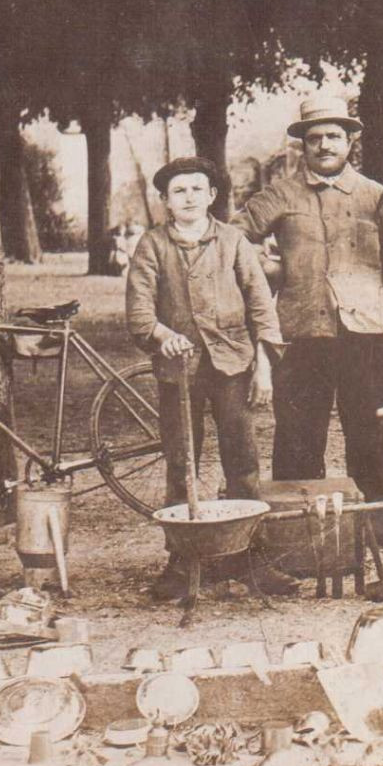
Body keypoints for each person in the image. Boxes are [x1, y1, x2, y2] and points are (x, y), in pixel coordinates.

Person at [233, 97, 383, 552]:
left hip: (365, 330)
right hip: (300, 331)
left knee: (374, 426)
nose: (323, 145)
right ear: (302, 145)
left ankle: (381, 520)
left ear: (350, 141)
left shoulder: (377, 195)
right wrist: (266, 267)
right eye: (313, 138)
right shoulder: (281, 194)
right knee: (298, 431)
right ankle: (297, 529)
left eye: (332, 136)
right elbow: (233, 238)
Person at [126, 156, 296, 600]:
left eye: (197, 189)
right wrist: (163, 335)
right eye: (178, 191)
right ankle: (183, 562)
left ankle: (250, 558)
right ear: (165, 200)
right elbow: (139, 312)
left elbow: (261, 305)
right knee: (182, 463)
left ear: (212, 196)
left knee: (242, 461)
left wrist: (263, 365)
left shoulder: (233, 241)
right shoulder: (152, 246)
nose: (188, 198)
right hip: (177, 373)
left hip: (232, 365)